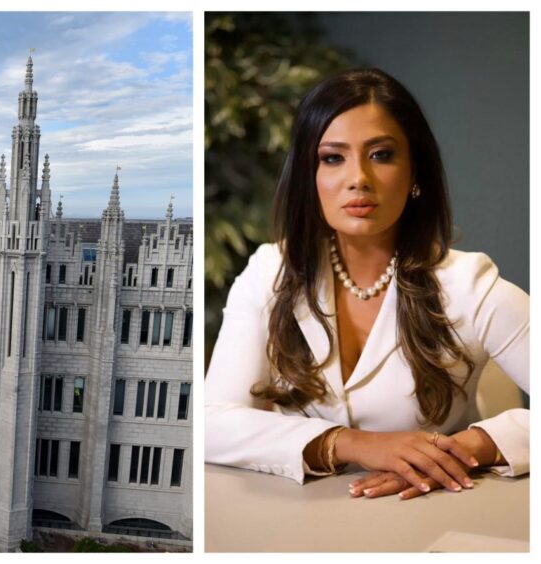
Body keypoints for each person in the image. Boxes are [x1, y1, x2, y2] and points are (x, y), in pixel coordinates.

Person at [205, 68, 529, 500]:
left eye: (381, 154)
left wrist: (463, 449)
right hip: (297, 521)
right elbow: (210, 421)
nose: (358, 178)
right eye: (333, 157)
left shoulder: (470, 285)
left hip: (434, 515)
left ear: (415, 172)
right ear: (310, 176)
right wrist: (349, 443)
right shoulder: (270, 271)